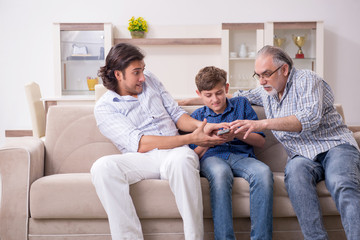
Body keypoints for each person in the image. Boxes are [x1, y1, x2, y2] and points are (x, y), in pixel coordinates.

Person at [180, 45, 360, 240]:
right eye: (258, 75)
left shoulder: (307, 79)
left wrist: (261, 123)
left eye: (266, 74)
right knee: (296, 180)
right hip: (302, 155)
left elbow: (309, 118)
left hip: (333, 145)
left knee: (340, 181)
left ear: (284, 69)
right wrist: (192, 100)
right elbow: (238, 95)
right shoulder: (266, 90)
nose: (261, 81)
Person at [90, 43, 228, 240]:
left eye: (143, 70)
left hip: (176, 153)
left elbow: (176, 114)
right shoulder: (104, 108)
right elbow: (140, 143)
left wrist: (203, 128)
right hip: (141, 159)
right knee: (102, 167)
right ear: (118, 74)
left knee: (182, 161)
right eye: (136, 72)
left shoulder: (151, 81)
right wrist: (191, 138)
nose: (142, 78)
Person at [189, 66, 273, 240]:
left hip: (242, 157)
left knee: (263, 172)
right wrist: (209, 140)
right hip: (213, 158)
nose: (215, 99)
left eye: (219, 93)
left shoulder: (241, 104)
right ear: (199, 94)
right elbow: (192, 156)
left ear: (226, 88)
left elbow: (261, 141)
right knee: (220, 174)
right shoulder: (196, 117)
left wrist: (237, 133)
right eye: (208, 95)